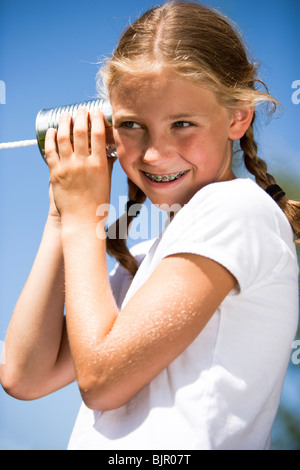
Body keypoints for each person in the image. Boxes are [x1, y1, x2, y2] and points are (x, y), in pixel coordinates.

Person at [1, 0, 299, 451]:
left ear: (238, 115)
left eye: (182, 123)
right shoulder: (148, 261)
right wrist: (62, 213)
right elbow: (25, 375)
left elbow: (101, 380)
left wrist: (84, 219)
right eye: (132, 125)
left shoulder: (237, 209)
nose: (155, 153)